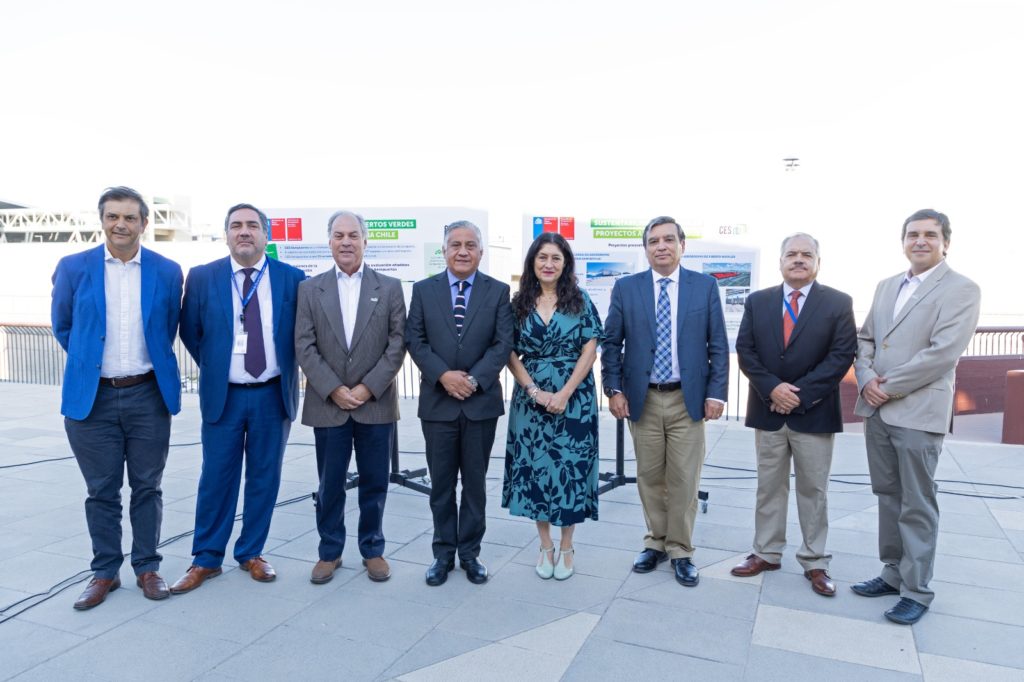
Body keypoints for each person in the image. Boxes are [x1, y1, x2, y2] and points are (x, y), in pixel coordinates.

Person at [51, 186, 183, 609]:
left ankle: (147, 567)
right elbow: (63, 325)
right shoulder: (73, 267)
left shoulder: (167, 271)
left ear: (144, 223)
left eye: (129, 217)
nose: (120, 225)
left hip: (147, 395)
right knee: (101, 491)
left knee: (148, 487)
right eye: (113, 216)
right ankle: (105, 572)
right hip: (94, 400)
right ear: (102, 220)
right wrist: (91, 363)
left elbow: (167, 328)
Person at [852, 209, 980, 625]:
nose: (920, 241)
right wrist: (866, 379)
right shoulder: (887, 286)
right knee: (888, 496)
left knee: (917, 502)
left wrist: (885, 386)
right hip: (878, 410)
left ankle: (917, 590)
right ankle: (892, 574)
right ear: (903, 241)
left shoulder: (962, 289)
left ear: (946, 242)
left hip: (918, 412)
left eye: (930, 234)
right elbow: (866, 339)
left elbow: (942, 353)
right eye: (912, 234)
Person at [170, 204, 306, 594]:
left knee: (265, 476)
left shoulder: (292, 278)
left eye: (252, 225)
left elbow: (300, 333)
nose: (243, 232)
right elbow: (190, 331)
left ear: (266, 235)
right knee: (216, 478)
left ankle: (251, 552)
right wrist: (218, 366)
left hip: (272, 395)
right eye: (235, 226)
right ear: (226, 234)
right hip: (224, 396)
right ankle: (206, 558)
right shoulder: (203, 277)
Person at [601, 215, 728, 587]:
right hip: (643, 399)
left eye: (668, 239)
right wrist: (614, 389)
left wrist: (716, 393)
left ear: (682, 246)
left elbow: (718, 345)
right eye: (653, 241)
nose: (661, 246)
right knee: (650, 477)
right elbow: (612, 343)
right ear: (645, 249)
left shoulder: (704, 287)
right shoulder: (627, 288)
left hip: (687, 400)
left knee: (684, 479)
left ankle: (681, 550)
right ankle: (656, 542)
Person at [732, 233, 856, 596]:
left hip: (814, 413)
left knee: (813, 490)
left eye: (806, 254)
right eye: (791, 254)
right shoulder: (758, 301)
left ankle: (815, 560)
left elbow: (841, 356)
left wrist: (796, 396)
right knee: (768, 486)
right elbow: (746, 350)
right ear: (781, 261)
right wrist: (773, 389)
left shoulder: (838, 302)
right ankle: (766, 552)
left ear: (818, 261)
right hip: (768, 410)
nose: (798, 259)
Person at [295, 210, 406, 585]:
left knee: (375, 482)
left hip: (375, 404)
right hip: (328, 405)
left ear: (365, 241)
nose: (346, 241)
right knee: (330, 485)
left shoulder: (389, 287)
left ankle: (372, 549)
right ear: (329, 242)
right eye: (339, 235)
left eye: (353, 235)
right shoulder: (309, 290)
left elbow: (397, 345)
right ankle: (330, 551)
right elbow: (304, 345)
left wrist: (366, 387)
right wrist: (334, 389)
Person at [406, 220, 514, 586]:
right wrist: (443, 376)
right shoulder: (423, 290)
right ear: (444, 251)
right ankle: (442, 554)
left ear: (481, 252)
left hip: (480, 404)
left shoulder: (498, 291)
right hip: (438, 404)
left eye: (470, 245)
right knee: (441, 485)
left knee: (475, 484)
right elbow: (415, 340)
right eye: (455, 245)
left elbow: (502, 343)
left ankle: (470, 554)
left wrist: (473, 380)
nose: (463, 251)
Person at [502, 233, 601, 581]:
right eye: (542, 257)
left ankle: (567, 546)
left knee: (571, 469)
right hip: (530, 400)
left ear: (565, 263)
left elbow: (590, 349)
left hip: (575, 399)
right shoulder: (518, 304)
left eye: (556, 258)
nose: (548, 264)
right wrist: (533, 390)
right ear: (532, 261)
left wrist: (564, 393)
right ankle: (545, 545)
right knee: (536, 470)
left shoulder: (581, 300)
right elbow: (509, 352)